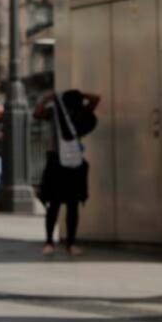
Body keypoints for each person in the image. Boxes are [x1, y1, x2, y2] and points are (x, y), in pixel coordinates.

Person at [36, 90, 98, 256]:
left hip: (63, 162)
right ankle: (68, 243)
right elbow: (95, 99)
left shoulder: (66, 112)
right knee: (67, 206)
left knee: (58, 205)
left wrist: (48, 97)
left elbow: (37, 113)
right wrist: (82, 95)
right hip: (66, 163)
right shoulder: (60, 113)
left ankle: (52, 242)